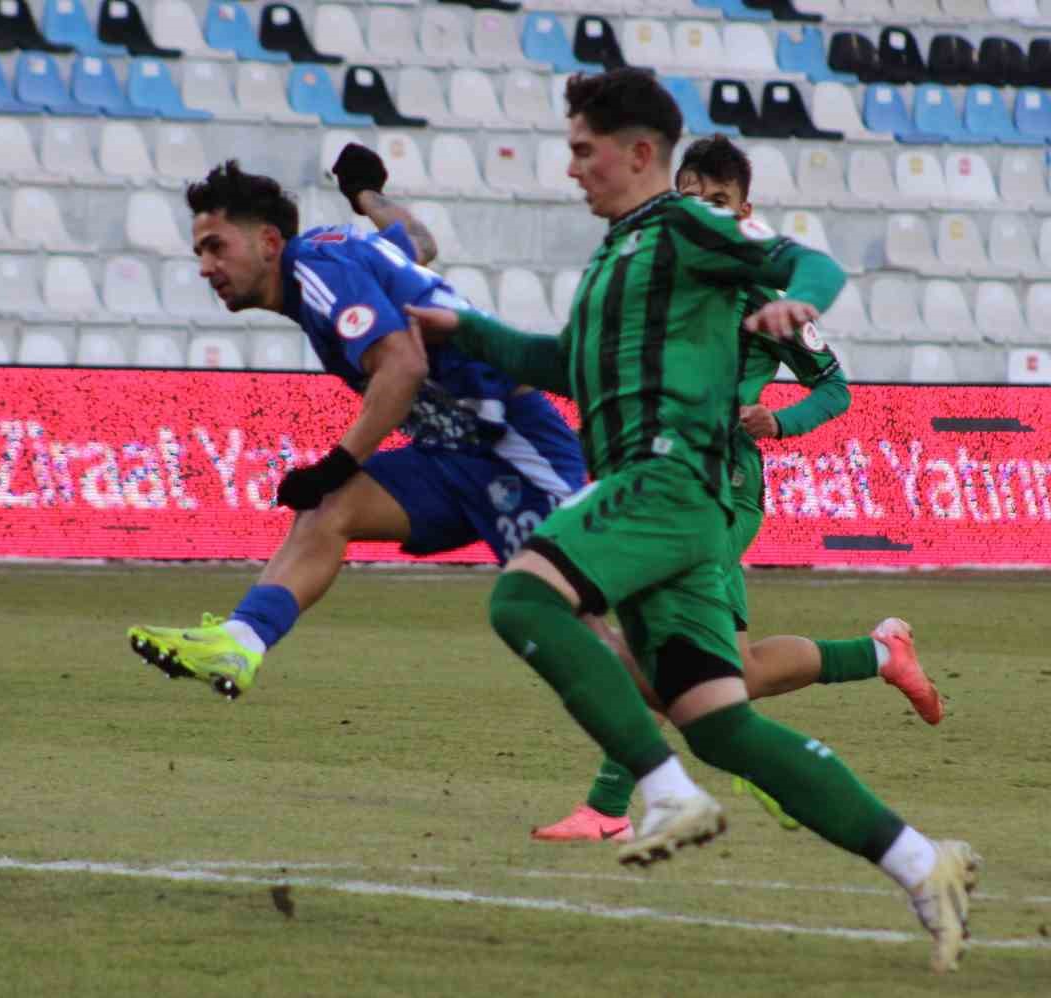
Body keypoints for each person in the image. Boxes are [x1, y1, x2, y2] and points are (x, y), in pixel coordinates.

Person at [405, 69, 978, 974]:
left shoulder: (682, 224)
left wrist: (801, 301)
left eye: (583, 150)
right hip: (669, 498)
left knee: (523, 600)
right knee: (721, 720)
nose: (570, 170)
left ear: (639, 154)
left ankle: (661, 792)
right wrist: (456, 328)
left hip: (669, 481)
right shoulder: (618, 254)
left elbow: (810, 263)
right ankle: (920, 862)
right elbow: (562, 361)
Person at [533, 135, 943, 845]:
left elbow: (834, 387)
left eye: (718, 202)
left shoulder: (759, 292)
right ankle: (876, 657)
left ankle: (609, 806)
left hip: (722, 491)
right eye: (692, 199)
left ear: (743, 210)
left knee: (666, 649)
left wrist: (776, 422)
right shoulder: (652, 285)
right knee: (732, 672)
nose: (703, 212)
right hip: (660, 481)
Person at [126, 151, 586, 700]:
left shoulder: (317, 270)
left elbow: (403, 366)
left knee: (584, 637)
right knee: (328, 507)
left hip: (518, 451)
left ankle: (707, 727)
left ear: (270, 243)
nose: (205, 268)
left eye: (216, 246)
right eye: (200, 251)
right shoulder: (338, 255)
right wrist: (367, 194)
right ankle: (241, 639)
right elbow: (419, 241)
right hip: (451, 457)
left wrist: (334, 465)